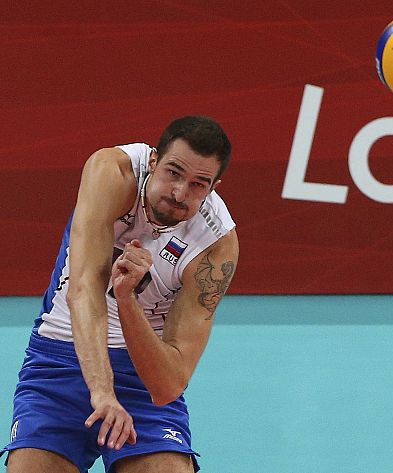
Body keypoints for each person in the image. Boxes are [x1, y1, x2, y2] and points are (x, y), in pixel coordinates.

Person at [1, 116, 239, 473]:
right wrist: (101, 392)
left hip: (141, 379)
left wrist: (128, 300)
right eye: (173, 173)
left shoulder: (215, 245)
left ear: (214, 187)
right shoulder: (111, 172)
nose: (179, 193)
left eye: (198, 184)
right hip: (63, 355)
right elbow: (84, 289)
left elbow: (167, 385)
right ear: (154, 160)